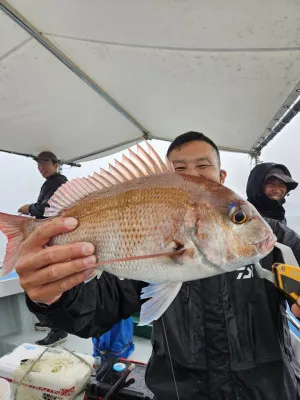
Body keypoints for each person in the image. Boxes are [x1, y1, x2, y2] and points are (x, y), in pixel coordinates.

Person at [15, 132, 300, 399]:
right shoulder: (154, 248)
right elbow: (96, 307)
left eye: (204, 165)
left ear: (222, 177)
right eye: (178, 170)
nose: (192, 175)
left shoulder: (280, 241)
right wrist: (51, 298)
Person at [18, 151, 69, 346]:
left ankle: (58, 330)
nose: (41, 167)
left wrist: (28, 208)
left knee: (52, 281)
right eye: (39, 164)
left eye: (45, 163)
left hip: (55, 239)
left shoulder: (56, 181)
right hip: (53, 238)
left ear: (56, 164)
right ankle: (54, 324)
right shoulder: (54, 182)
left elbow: (48, 208)